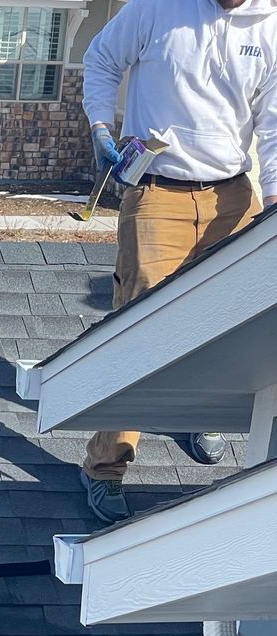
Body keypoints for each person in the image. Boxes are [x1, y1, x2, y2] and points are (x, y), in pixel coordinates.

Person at [78, 0, 277, 523]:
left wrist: (275, 206)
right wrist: (102, 126)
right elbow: (100, 58)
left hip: (233, 196)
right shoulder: (157, 8)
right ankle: (104, 466)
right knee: (139, 331)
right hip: (157, 192)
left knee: (229, 323)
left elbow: (274, 124)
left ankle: (197, 415)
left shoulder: (271, 25)